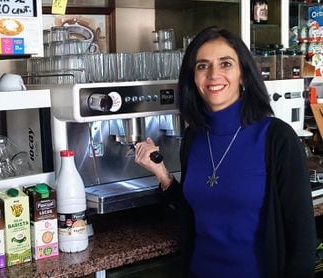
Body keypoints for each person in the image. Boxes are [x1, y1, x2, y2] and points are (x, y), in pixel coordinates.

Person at [135, 26, 317, 277]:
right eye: (202, 66)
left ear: (243, 73)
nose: (213, 75)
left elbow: (303, 242)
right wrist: (162, 174)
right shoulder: (193, 137)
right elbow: (198, 209)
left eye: (226, 64)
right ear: (193, 78)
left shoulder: (277, 138)